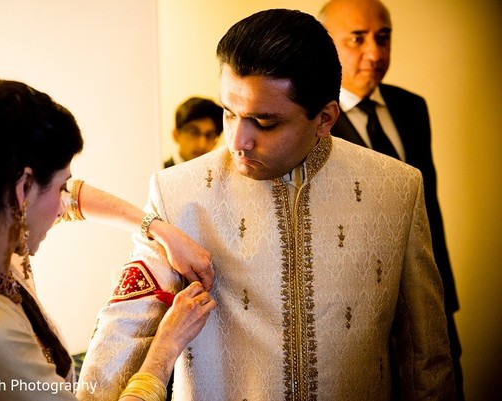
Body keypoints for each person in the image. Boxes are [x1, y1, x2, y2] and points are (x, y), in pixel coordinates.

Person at [77, 9, 456, 401]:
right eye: (229, 112)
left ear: (324, 118)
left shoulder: (397, 190)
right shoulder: (178, 192)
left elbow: (425, 357)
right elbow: (123, 333)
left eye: (265, 122)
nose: (238, 140)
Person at [0, 79, 216, 400]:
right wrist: (165, 348)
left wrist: (160, 230)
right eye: (59, 186)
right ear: (23, 188)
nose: (62, 205)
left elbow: (75, 201)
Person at [318, 0, 462, 397]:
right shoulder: (310, 120)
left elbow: (428, 209)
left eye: (383, 38)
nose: (375, 53)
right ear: (327, 45)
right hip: (355, 319)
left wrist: (443, 297)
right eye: (358, 39)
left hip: (431, 304)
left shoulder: (411, 107)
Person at [163, 96, 223, 168]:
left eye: (210, 135)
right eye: (194, 133)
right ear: (176, 135)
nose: (202, 144)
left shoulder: (220, 175)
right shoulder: (157, 174)